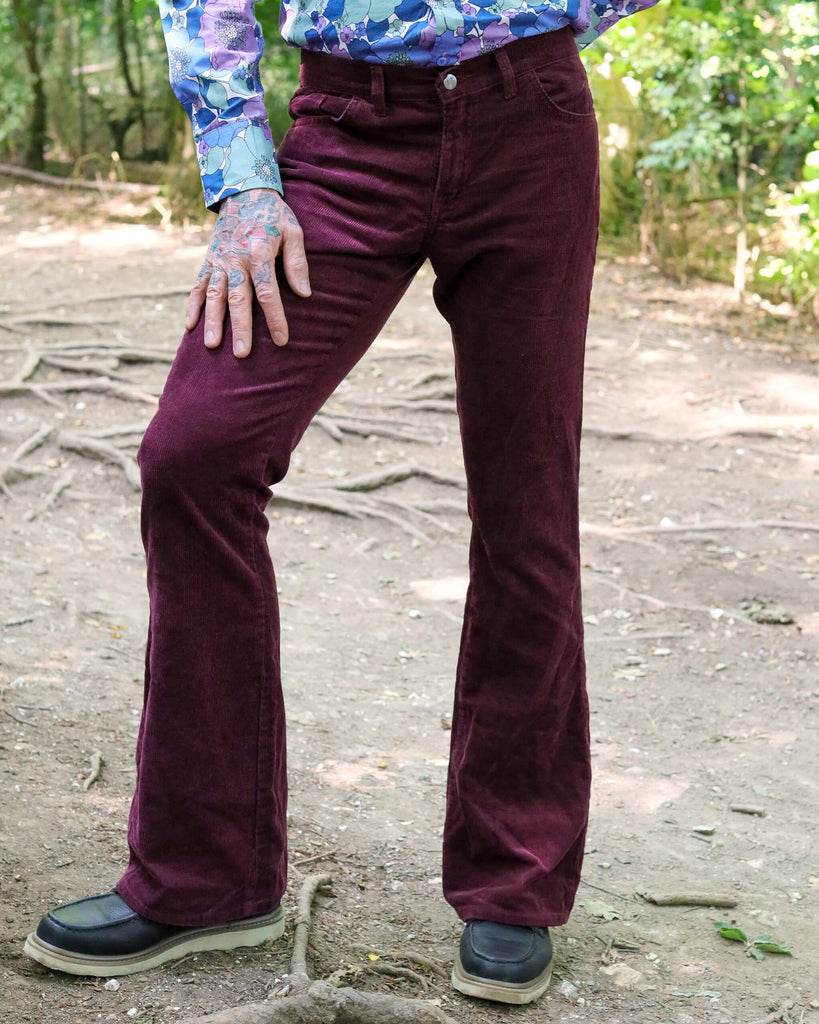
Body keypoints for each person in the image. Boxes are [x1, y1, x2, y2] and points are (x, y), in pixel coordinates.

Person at [24, 0, 659, 1005]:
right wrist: (242, 177)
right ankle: (208, 874)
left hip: (530, 121)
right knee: (196, 453)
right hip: (347, 130)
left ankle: (514, 880)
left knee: (528, 504)